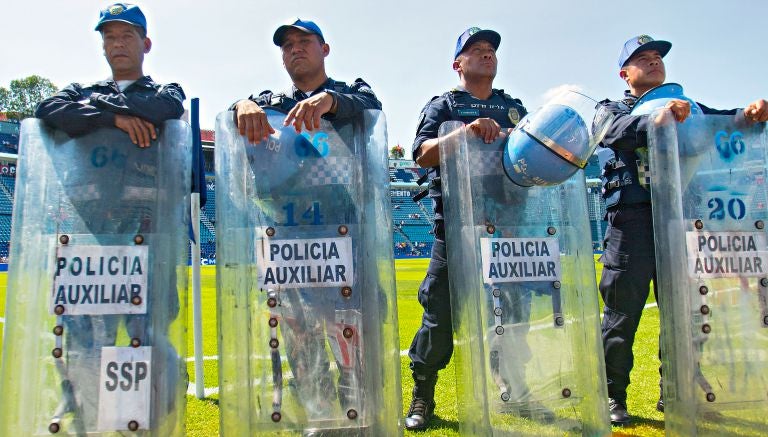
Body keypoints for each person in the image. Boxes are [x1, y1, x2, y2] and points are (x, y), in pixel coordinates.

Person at [597, 34, 768, 425]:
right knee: (622, 313)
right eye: (644, 58)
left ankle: (676, 390)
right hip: (632, 222)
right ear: (626, 73)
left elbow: (723, 123)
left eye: (657, 56)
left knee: (689, 312)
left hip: (681, 220)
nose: (654, 61)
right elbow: (615, 131)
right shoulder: (611, 108)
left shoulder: (689, 108)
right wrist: (655, 118)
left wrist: (751, 113)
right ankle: (613, 396)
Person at [34, 3, 188, 430]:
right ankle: (87, 420)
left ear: (146, 43)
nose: (117, 44)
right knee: (81, 347)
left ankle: (150, 421)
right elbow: (47, 109)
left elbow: (165, 112)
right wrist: (114, 118)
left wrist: (102, 115)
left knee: (148, 342)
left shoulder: (164, 91)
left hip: (147, 239)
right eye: (109, 37)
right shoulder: (77, 91)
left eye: (127, 36)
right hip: (87, 241)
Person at [230, 18, 382, 426]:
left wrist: (328, 101)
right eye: (287, 45)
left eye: (304, 41)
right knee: (301, 338)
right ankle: (320, 416)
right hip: (289, 240)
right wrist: (240, 106)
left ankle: (360, 417)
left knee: (350, 335)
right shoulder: (270, 102)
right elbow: (237, 118)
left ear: (324, 49)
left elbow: (371, 107)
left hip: (343, 237)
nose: (295, 49)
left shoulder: (352, 93)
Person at [405, 27, 528, 430]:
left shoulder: (513, 108)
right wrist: (465, 132)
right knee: (439, 314)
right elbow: (422, 156)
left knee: (512, 313)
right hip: (457, 229)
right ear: (458, 64)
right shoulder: (443, 106)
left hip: (507, 228)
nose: (486, 54)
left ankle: (514, 386)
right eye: (476, 50)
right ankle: (424, 395)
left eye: (491, 49)